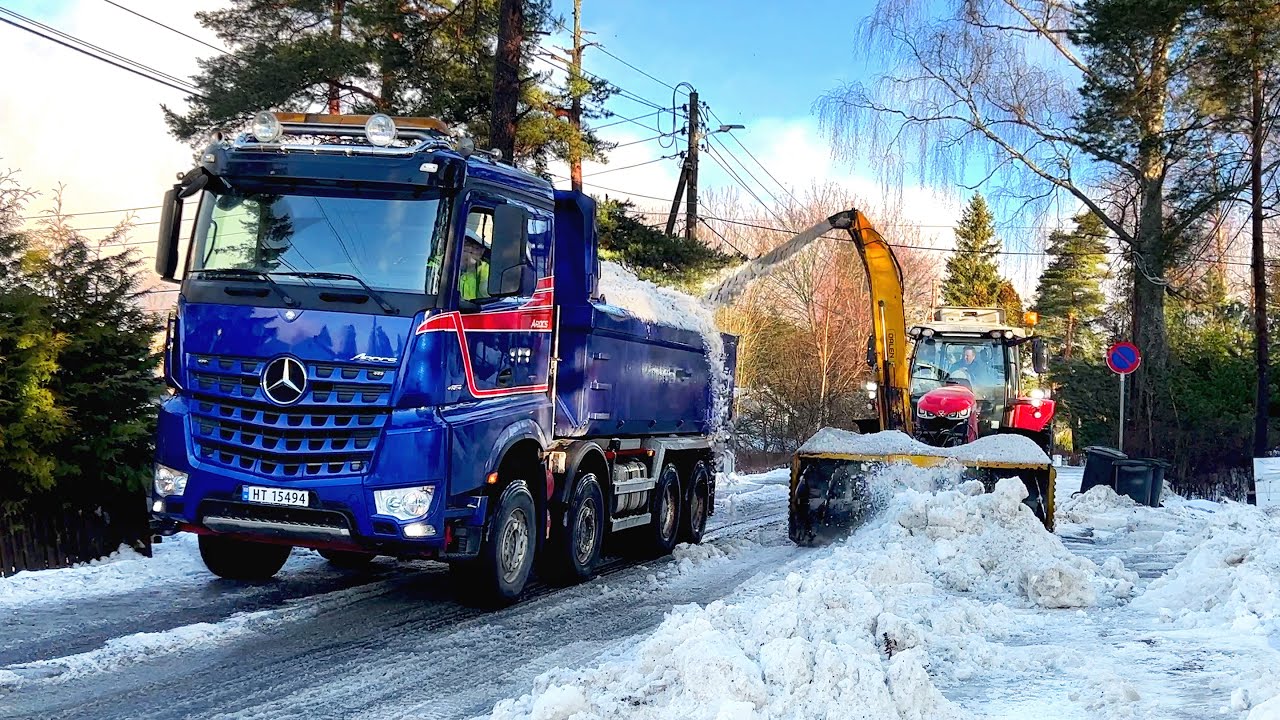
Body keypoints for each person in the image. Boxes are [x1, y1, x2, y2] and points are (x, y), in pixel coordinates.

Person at [459, 227, 489, 301]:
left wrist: (471, 268)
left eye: (476, 248)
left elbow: (488, 294)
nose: (470, 250)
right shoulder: (438, 266)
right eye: (465, 245)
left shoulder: (486, 269)